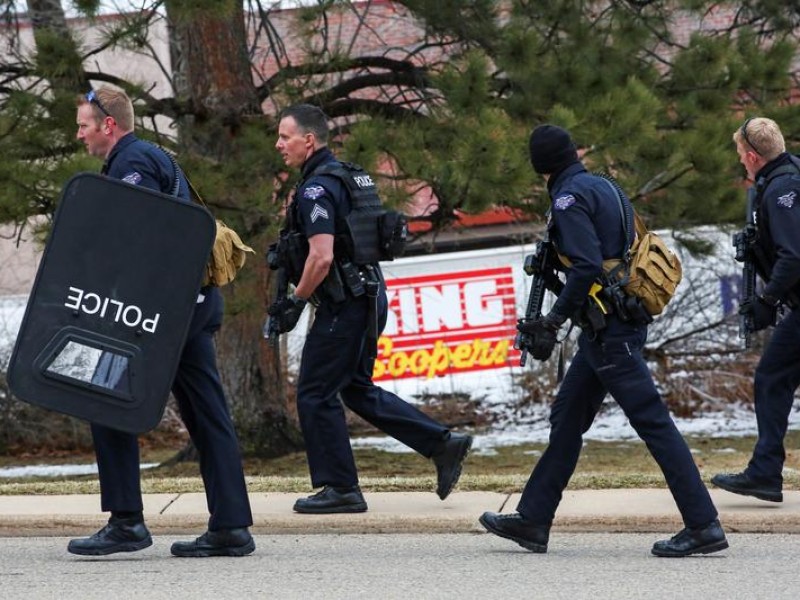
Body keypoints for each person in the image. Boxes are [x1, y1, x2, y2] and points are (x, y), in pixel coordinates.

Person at [479, 124, 728, 557]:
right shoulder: (601, 185)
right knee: (567, 416)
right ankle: (534, 519)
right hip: (609, 329)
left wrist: (553, 322)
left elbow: (587, 264)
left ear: (540, 167)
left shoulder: (568, 198)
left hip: (612, 333)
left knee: (653, 424)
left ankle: (703, 525)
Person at [69, 86, 254, 557]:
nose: (79, 134)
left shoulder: (133, 164)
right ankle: (231, 526)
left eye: (84, 125)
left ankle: (127, 522)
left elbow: (146, 239)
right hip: (189, 305)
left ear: (108, 125)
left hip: (163, 312)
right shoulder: (148, 156)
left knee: (104, 395)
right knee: (207, 413)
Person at [270, 103, 472, 513]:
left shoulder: (315, 189)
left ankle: (340, 488)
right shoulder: (348, 175)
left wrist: (296, 301)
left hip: (346, 304)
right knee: (355, 388)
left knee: (314, 392)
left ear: (308, 140)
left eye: (284, 136)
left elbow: (321, 256)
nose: (278, 145)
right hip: (369, 295)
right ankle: (442, 444)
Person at [712, 117, 800, 504]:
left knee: (771, 376)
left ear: (751, 156)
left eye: (739, 157)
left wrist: (767, 301)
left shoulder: (782, 189)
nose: (740, 164)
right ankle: (764, 472)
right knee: (775, 378)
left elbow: (793, 255)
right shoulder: (792, 172)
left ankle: (765, 474)